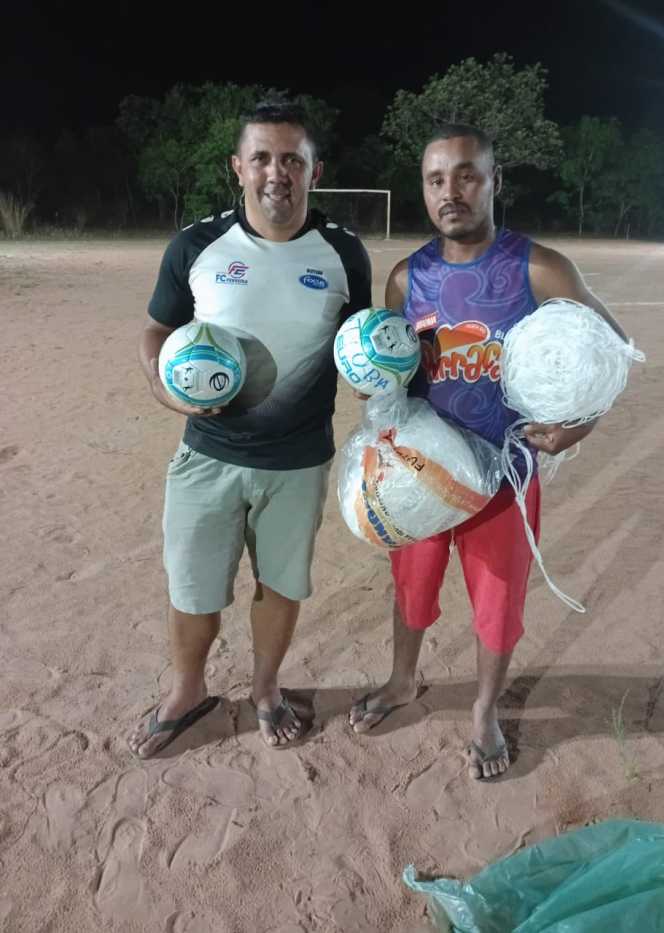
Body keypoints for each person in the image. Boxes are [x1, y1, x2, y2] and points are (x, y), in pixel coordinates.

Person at [348, 124, 627, 780]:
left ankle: (483, 710)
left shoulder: (539, 268)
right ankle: (402, 680)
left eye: (467, 175)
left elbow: (613, 349)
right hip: (421, 476)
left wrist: (580, 425)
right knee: (411, 588)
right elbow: (395, 376)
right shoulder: (406, 278)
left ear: (495, 181)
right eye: (436, 179)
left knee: (499, 608)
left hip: (506, 479)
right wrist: (375, 396)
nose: (451, 191)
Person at [128, 101, 371, 757]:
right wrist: (161, 386)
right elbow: (157, 329)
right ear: (238, 167)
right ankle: (187, 690)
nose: (276, 172)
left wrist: (378, 376)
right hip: (207, 454)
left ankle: (266, 688)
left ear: (315, 170)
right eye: (261, 157)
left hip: (298, 461)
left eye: (292, 159)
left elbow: (356, 344)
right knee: (193, 586)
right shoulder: (196, 246)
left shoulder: (344, 252)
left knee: (280, 586)